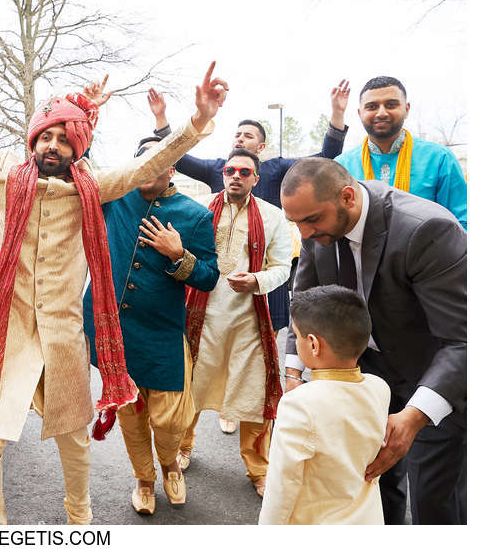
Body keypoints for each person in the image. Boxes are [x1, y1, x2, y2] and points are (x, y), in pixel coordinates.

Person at [0, 32, 227, 524]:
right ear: (33, 140)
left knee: (74, 440)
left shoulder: (92, 189)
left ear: (76, 149)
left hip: (61, 334)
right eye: (47, 136)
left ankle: (80, 521)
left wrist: (198, 121)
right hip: (2, 331)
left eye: (65, 138)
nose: (54, 145)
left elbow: (151, 162)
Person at [150, 81, 349, 433]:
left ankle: (254, 457)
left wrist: (336, 116)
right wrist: (163, 120)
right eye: (236, 135)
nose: (236, 173)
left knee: (251, 378)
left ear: (261, 153)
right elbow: (178, 157)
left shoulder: (278, 171)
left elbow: (323, 161)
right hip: (205, 302)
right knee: (195, 372)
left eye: (248, 136)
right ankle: (184, 443)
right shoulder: (215, 175)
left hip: (254, 303)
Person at [280, 157, 466, 525]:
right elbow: (304, 302)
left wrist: (413, 418)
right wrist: (293, 376)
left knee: (433, 500)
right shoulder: (317, 230)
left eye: (312, 220)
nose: (304, 234)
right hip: (367, 375)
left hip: (433, 376)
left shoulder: (427, 230)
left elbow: (464, 340)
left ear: (348, 197)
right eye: (295, 223)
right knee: (372, 488)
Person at [82, 135, 219, 515]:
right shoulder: (115, 198)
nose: (146, 171)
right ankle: (144, 479)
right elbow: (82, 164)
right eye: (141, 162)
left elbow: (209, 278)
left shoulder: (195, 215)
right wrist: (87, 117)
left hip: (162, 332)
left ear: (172, 168)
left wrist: (179, 254)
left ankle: (171, 464)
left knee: (170, 418)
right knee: (130, 412)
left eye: (157, 163)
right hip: (115, 332)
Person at [179, 149, 292, 497]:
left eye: (245, 172)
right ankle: (182, 448)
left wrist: (257, 281)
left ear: (256, 179)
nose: (236, 176)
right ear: (223, 173)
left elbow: (283, 268)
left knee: (254, 395)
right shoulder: (197, 211)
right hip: (202, 318)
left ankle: (259, 469)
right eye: (231, 170)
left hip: (248, 322)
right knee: (191, 388)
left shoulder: (273, 217)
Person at [258, 285, 390, 525]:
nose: (295, 342)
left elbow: (281, 486)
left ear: (313, 344)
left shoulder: (299, 405)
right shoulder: (379, 388)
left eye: (296, 335)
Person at [334, 75, 467, 230]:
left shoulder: (439, 159)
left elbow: (462, 223)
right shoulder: (342, 166)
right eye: (372, 106)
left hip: (429, 252)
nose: (381, 113)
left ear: (406, 109)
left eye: (391, 105)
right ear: (360, 113)